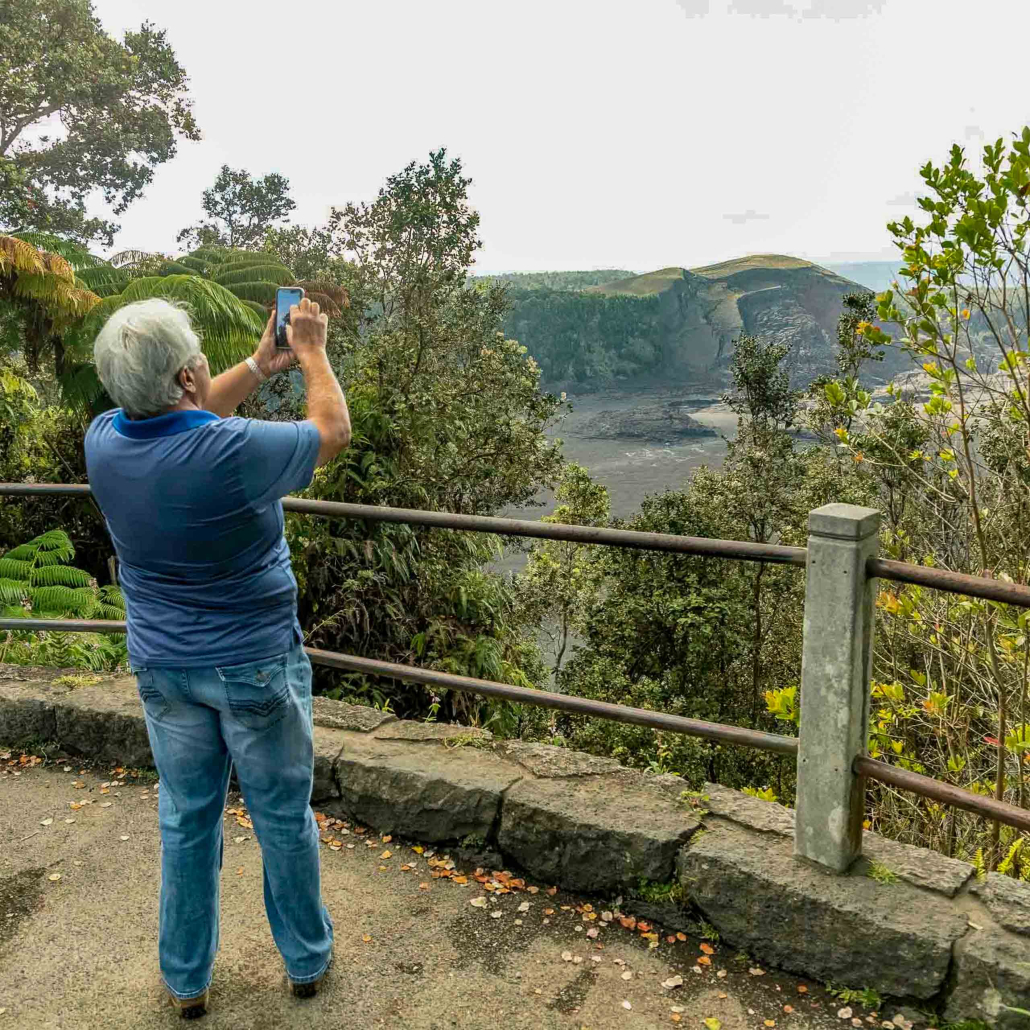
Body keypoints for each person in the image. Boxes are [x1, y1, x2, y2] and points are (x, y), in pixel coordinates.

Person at [84, 296, 350, 1019]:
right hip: (253, 665)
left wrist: (261, 364)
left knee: (186, 818)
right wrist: (313, 350)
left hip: (165, 670)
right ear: (188, 377)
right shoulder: (231, 453)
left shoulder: (103, 439)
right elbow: (331, 431)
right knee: (281, 818)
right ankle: (304, 960)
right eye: (200, 358)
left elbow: (187, 405)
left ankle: (185, 980)